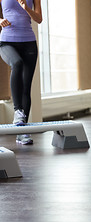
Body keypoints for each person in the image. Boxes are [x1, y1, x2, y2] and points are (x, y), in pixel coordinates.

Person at [0, 0, 42, 144]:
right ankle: (18, 111)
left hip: (28, 42)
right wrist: (0, 20)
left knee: (26, 87)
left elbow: (39, 19)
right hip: (7, 41)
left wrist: (26, 8)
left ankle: (22, 133)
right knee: (16, 63)